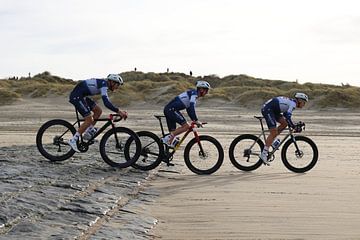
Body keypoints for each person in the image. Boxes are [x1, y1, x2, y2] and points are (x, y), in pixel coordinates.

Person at [68, 74, 128, 152]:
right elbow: (106, 102)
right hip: (77, 96)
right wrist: (119, 111)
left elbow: (106, 102)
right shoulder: (103, 85)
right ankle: (73, 140)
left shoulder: (104, 84)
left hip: (82, 96)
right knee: (89, 119)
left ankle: (88, 132)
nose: (117, 87)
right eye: (117, 85)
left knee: (98, 111)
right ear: (112, 82)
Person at [260, 92, 309, 165]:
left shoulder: (292, 103)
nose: (304, 105)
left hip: (274, 110)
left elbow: (286, 115)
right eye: (304, 102)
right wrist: (293, 126)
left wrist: (292, 125)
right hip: (268, 109)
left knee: (284, 124)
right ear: (299, 100)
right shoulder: (293, 104)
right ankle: (263, 154)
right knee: (273, 132)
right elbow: (288, 117)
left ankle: (273, 141)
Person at [162, 80, 211, 147]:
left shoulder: (193, 95)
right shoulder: (194, 94)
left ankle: (164, 155)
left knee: (173, 134)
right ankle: (166, 139)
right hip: (171, 110)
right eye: (206, 90)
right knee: (186, 126)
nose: (207, 92)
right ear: (201, 89)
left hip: (170, 110)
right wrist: (196, 120)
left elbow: (188, 110)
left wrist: (194, 120)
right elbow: (191, 108)